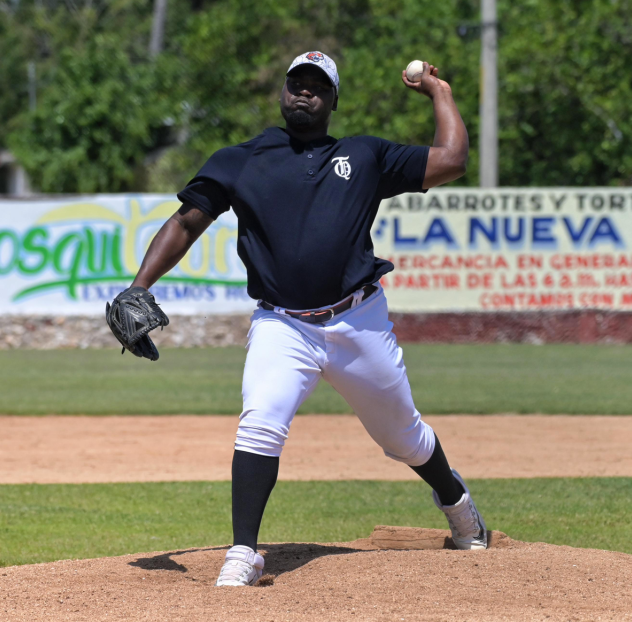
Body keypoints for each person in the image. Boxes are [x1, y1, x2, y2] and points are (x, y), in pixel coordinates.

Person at [127, 51, 485, 587]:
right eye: (297, 82)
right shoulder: (241, 159)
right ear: (283, 91)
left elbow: (452, 160)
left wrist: (441, 93)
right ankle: (243, 552)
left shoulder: (364, 156)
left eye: (318, 86)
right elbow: (185, 222)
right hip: (282, 324)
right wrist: (138, 287)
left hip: (357, 320)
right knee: (261, 421)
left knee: (403, 437)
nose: (305, 92)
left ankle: (455, 499)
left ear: (332, 100)